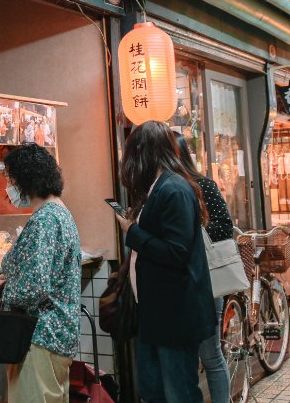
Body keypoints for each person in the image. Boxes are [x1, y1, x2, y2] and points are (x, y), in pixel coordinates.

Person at [114, 121, 214, 403]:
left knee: (178, 392)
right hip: (158, 312)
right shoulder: (159, 188)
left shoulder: (174, 189)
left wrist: (132, 232)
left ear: (143, 152)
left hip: (176, 315)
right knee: (153, 390)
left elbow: (176, 252)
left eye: (131, 151)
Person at [0, 144, 81, 403]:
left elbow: (34, 287)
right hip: (59, 333)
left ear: (28, 179)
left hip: (40, 337)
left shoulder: (44, 220)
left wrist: (0, 288)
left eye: (12, 180)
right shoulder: (60, 212)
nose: (9, 188)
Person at [175, 131, 233, 403]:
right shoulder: (162, 188)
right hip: (178, 282)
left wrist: (191, 230)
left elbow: (224, 226)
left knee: (210, 354)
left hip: (209, 279)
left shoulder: (203, 185)